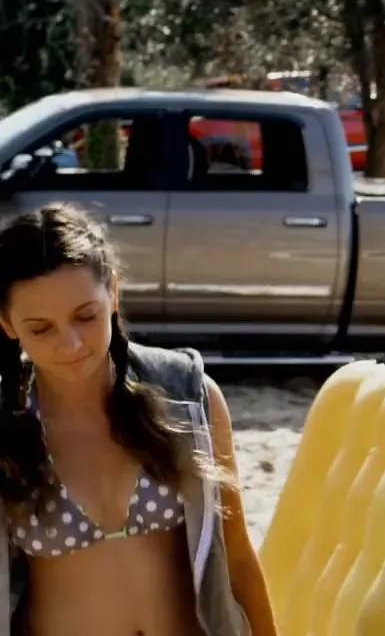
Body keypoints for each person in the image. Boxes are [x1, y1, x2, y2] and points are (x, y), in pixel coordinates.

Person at [0, 204, 275, 635]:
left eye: (85, 316)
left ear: (113, 292)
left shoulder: (187, 396)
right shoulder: (7, 427)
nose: (70, 344)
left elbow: (237, 555)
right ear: (7, 324)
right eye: (41, 328)